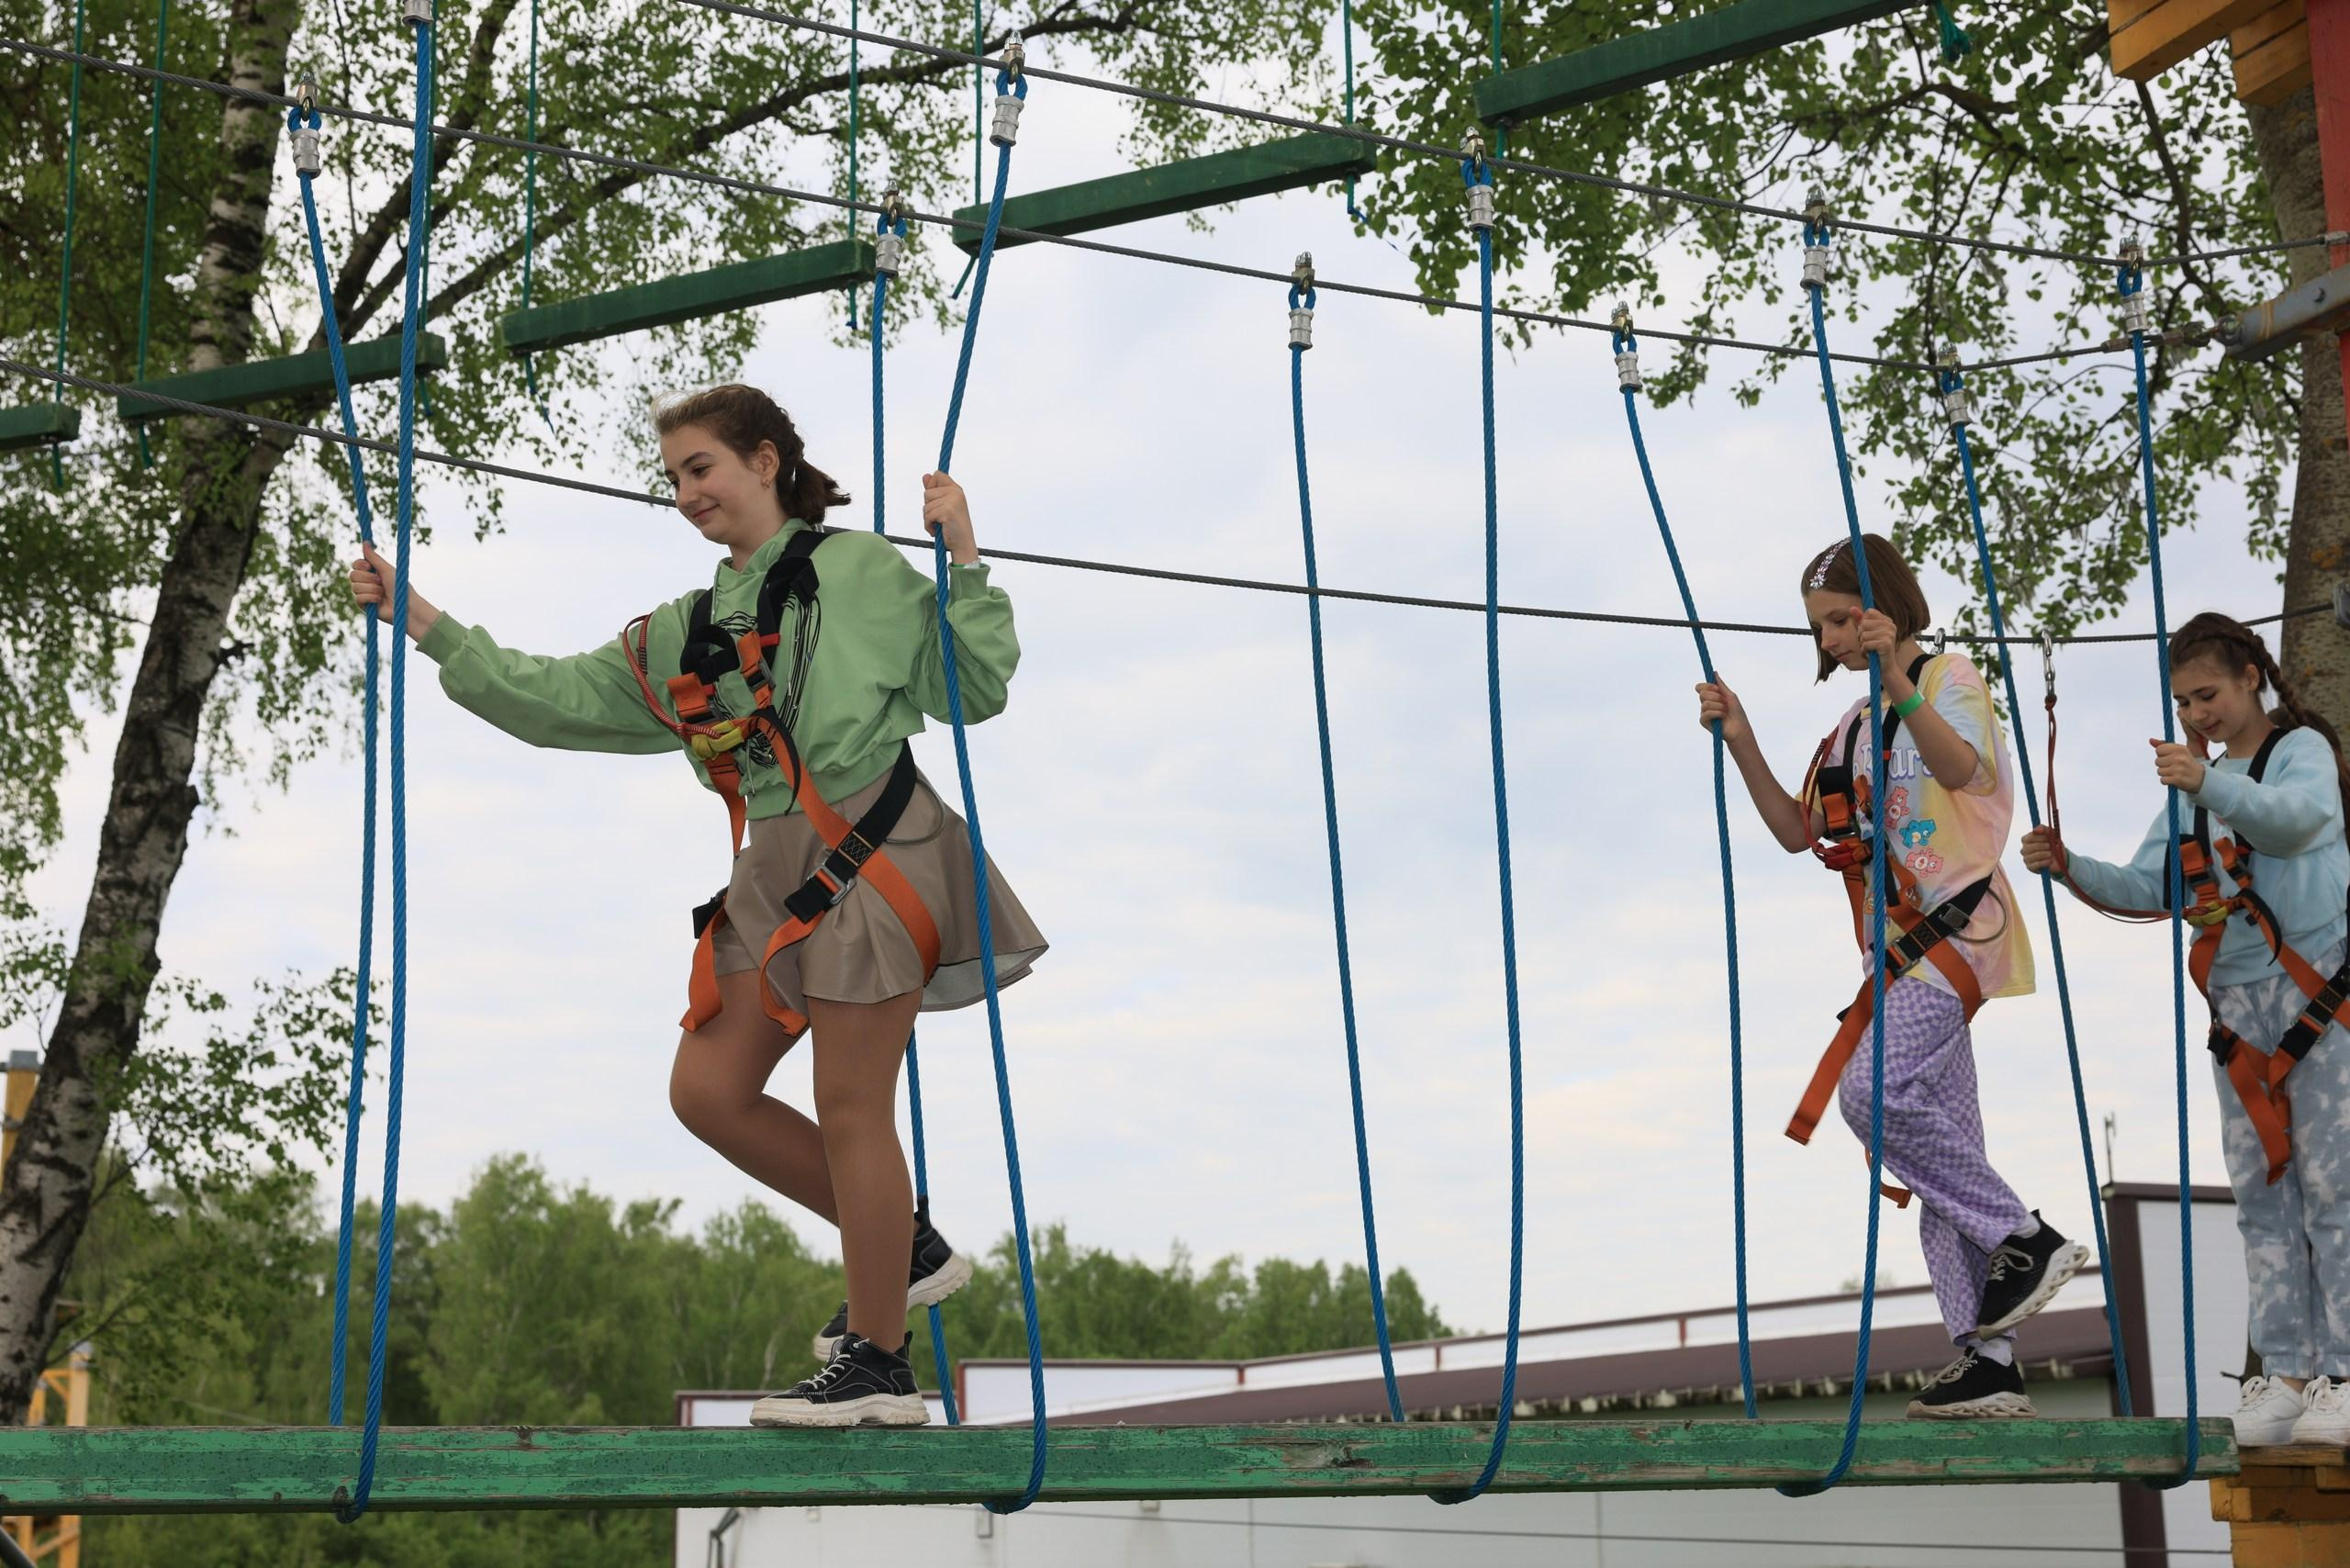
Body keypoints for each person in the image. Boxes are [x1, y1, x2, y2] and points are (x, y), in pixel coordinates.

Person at [350, 384, 1047, 1428]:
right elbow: (555, 700)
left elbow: (973, 686)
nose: (686, 493)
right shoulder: (681, 630)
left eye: (701, 468)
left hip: (873, 846)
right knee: (707, 1091)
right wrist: (428, 623)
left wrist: (966, 564)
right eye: (673, 477)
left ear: (765, 462)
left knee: (852, 1100)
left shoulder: (857, 571)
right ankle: (897, 1245)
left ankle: (880, 1365)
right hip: (770, 870)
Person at [1697, 532, 2089, 1418]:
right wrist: (1742, 739)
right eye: (1821, 627)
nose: (1832, 639)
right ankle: (1988, 1360)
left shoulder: (1946, 681)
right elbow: (1800, 832)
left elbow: (1964, 770)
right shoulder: (1850, 729)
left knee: (1870, 1096)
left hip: (1960, 931)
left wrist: (1900, 677)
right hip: (1896, 955)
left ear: (1886, 607)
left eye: (1841, 619)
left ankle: (2025, 1236)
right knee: (1936, 1156)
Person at [2025, 610, 2350, 1445]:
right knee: (2264, 1196)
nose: (2198, 715)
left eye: (2207, 694)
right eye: (2183, 704)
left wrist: (2207, 785)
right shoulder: (2192, 787)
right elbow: (2151, 886)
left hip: (2320, 990)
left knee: (2336, 1189)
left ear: (2250, 676)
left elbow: (2300, 822)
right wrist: (2070, 868)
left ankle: (2346, 1375)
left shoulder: (2296, 754)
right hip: (2240, 1008)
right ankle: (2283, 1372)